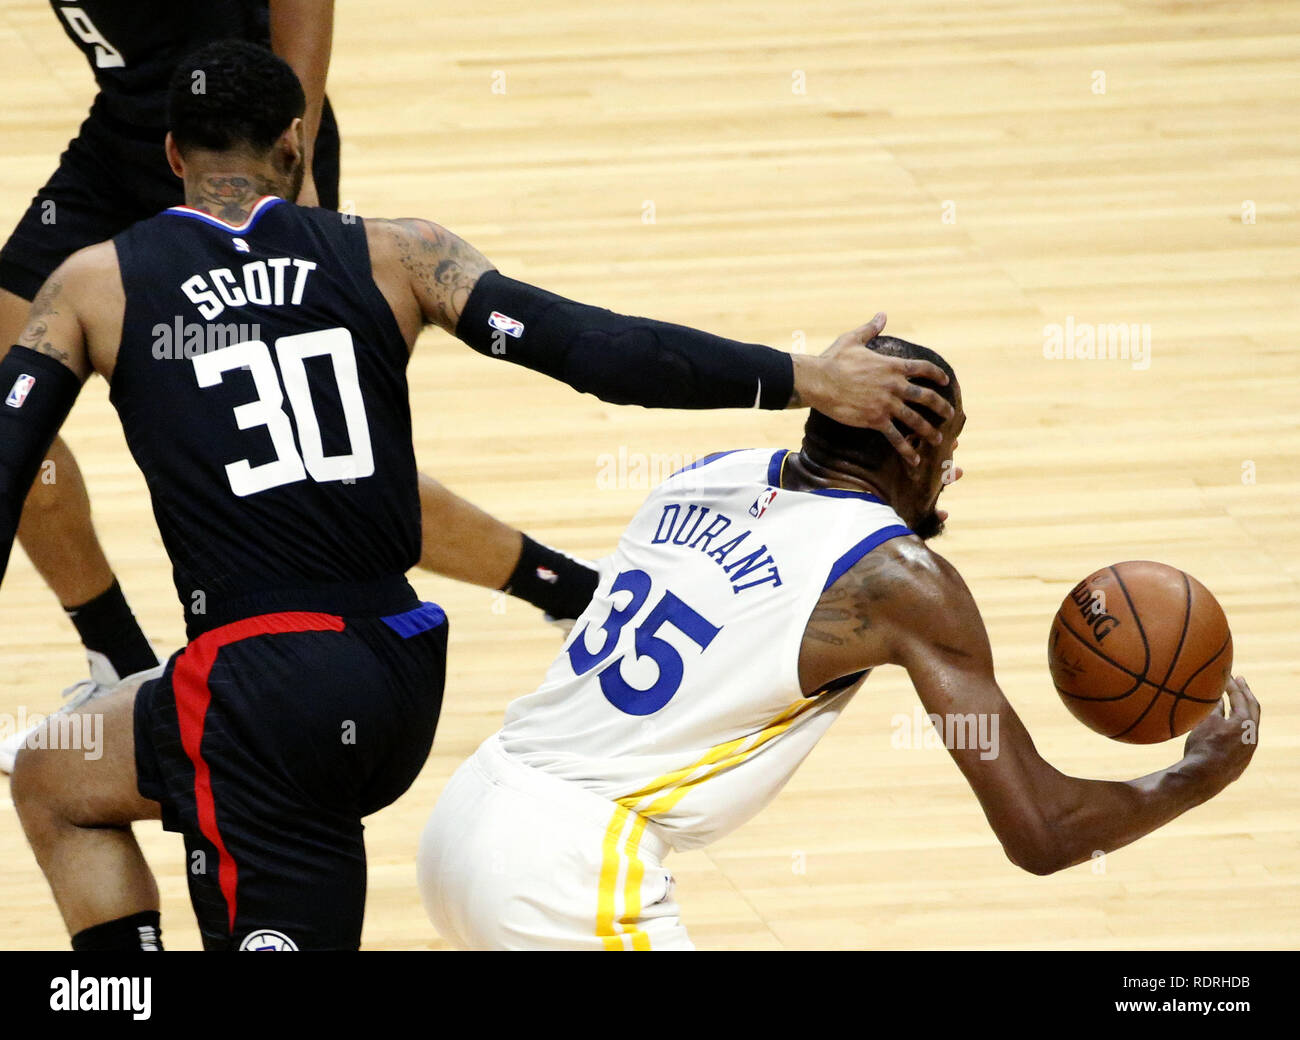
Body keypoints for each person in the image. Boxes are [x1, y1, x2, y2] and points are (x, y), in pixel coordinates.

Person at [1, 40, 950, 950]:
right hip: (399, 672)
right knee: (54, 774)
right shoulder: (400, 253)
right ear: (298, 140)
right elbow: (595, 350)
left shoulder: (95, 286)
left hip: (264, 693)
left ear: (171, 154)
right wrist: (801, 377)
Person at [416, 336, 1261, 951]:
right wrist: (1195, 774)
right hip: (567, 871)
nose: (953, 475)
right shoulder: (898, 579)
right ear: (914, 444)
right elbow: (1040, 829)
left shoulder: (707, 474)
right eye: (951, 448)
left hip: (467, 817)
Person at [0, 3, 603, 772]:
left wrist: (302, 156)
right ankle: (118, 656)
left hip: (252, 151)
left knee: (312, 454)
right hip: (126, 139)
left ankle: (576, 592)